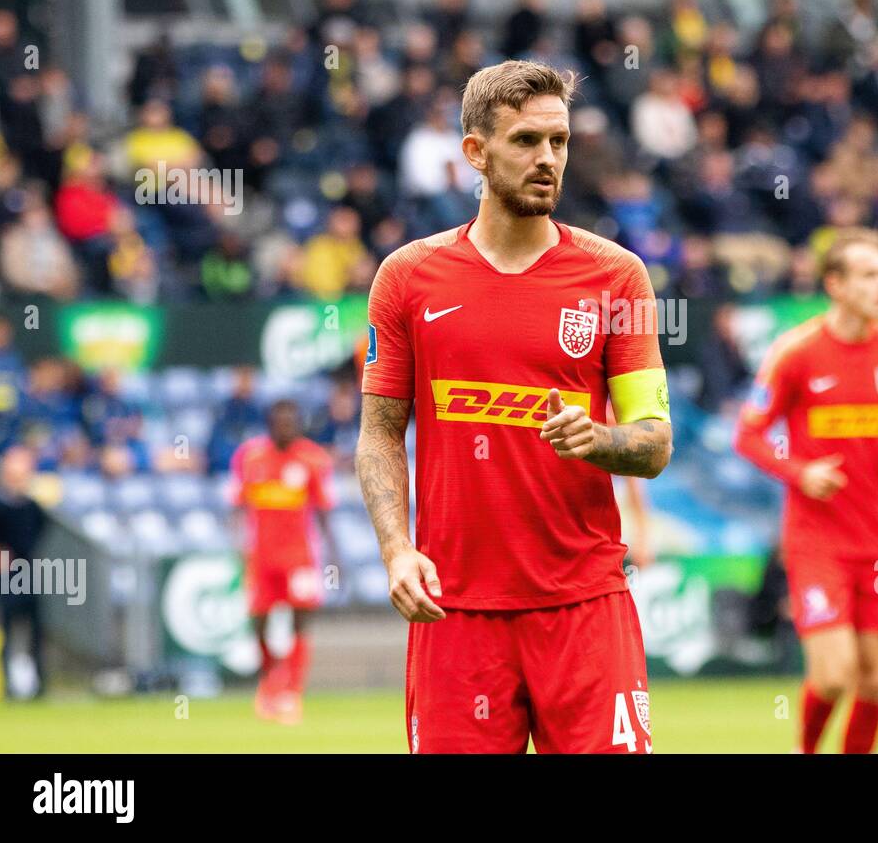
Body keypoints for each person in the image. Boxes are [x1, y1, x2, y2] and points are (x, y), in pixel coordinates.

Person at [358, 59, 673, 754]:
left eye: (559, 143)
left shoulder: (617, 276)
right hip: (457, 613)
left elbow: (654, 443)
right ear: (476, 151)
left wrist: (597, 438)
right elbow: (379, 434)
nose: (548, 159)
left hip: (585, 605)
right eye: (527, 141)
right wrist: (396, 552)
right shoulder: (408, 278)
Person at [734, 227, 878, 753]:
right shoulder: (798, 352)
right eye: (870, 275)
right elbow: (749, 434)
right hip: (817, 540)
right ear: (835, 284)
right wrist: (800, 471)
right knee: (833, 675)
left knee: (876, 679)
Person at [229, 400, 337, 723]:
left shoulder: (311, 459)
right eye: (280, 422)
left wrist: (334, 554)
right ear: (270, 424)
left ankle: (291, 692)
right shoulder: (252, 459)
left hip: (298, 558)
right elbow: (238, 505)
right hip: (261, 557)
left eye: (291, 421)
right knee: (259, 623)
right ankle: (269, 683)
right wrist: (236, 542)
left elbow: (322, 511)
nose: (286, 427)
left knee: (300, 621)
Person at [0, 445, 47, 697]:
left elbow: (40, 532)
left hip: (30, 573)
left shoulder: (32, 507)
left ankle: (40, 685)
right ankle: (8, 685)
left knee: (36, 629)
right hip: (6, 576)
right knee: (7, 630)